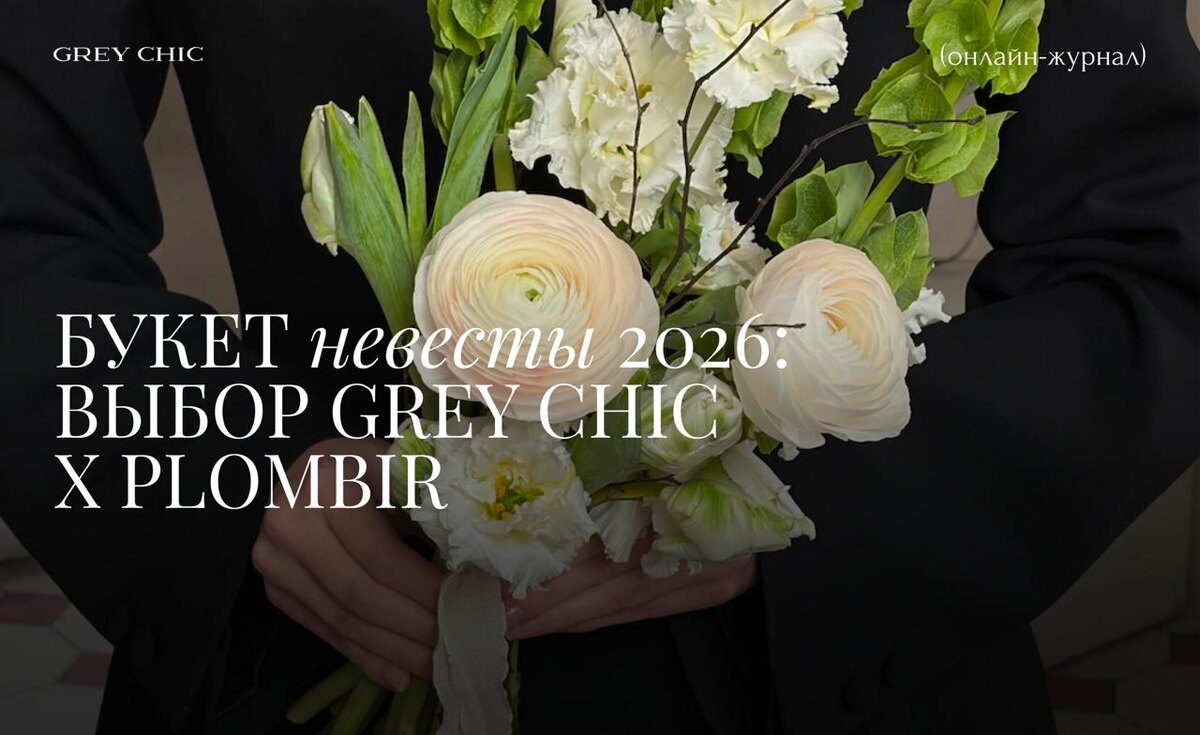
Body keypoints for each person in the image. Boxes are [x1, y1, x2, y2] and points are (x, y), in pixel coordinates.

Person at [2, 1, 1197, 733]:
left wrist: (804, 512)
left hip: (835, 664)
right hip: (324, 638)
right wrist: (232, 466)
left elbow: (1155, 246)